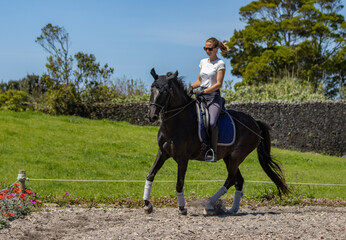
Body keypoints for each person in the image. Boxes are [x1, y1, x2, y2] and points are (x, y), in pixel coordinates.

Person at [188, 37, 228, 162]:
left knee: (211, 123)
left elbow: (218, 84)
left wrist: (204, 91)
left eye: (210, 48)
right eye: (205, 48)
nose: (207, 51)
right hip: (201, 96)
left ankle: (213, 151)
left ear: (216, 49)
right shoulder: (203, 62)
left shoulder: (220, 64)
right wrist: (190, 88)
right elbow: (200, 81)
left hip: (213, 98)